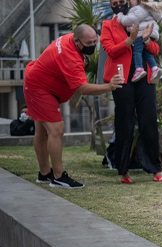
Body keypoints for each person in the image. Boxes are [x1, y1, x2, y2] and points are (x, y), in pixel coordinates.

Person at [24, 24, 123, 189]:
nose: (92, 46)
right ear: (77, 41)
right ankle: (58, 177)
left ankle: (44, 173)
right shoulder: (69, 55)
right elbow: (83, 88)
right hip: (39, 88)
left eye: (94, 42)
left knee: (42, 131)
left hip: (39, 81)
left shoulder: (72, 40)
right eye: (89, 43)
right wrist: (109, 86)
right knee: (56, 129)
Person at [101, 0, 162, 184]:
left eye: (122, 2)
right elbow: (110, 51)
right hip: (121, 77)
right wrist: (129, 40)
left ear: (128, 3)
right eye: (115, 3)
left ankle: (155, 167)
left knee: (148, 120)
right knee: (124, 123)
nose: (119, 5)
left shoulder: (140, 19)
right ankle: (123, 170)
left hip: (143, 76)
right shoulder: (108, 26)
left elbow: (155, 49)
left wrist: (144, 39)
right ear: (111, 6)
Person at [116, 0, 162, 83]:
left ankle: (139, 69)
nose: (130, 1)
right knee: (146, 53)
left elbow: (131, 20)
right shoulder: (150, 8)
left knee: (137, 52)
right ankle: (154, 68)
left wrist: (120, 17)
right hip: (151, 34)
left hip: (141, 33)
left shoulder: (140, 8)